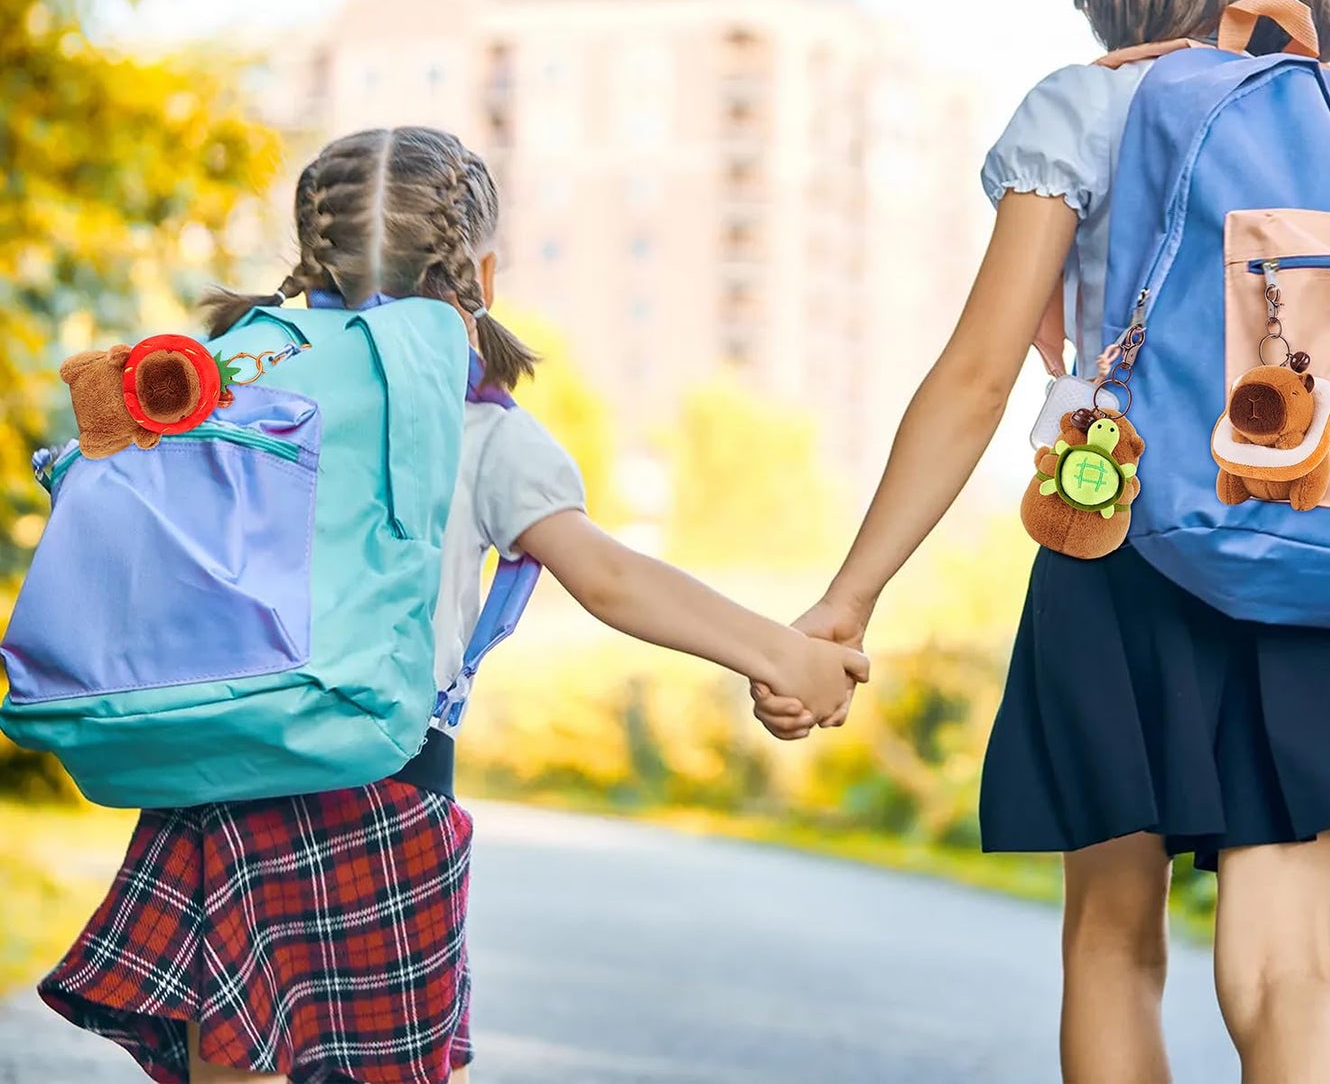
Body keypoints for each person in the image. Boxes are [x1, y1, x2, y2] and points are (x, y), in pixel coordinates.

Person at [753, 0, 1330, 1084]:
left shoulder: (1087, 107)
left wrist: (847, 598)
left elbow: (971, 378)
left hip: (1125, 543)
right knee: (1291, 967)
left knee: (1111, 945)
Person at [38, 126, 869, 1084]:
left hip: (220, 790)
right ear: (483, 272)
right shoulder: (481, 432)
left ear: (309, 261)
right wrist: (780, 653)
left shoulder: (229, 402)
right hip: (387, 799)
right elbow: (611, 579)